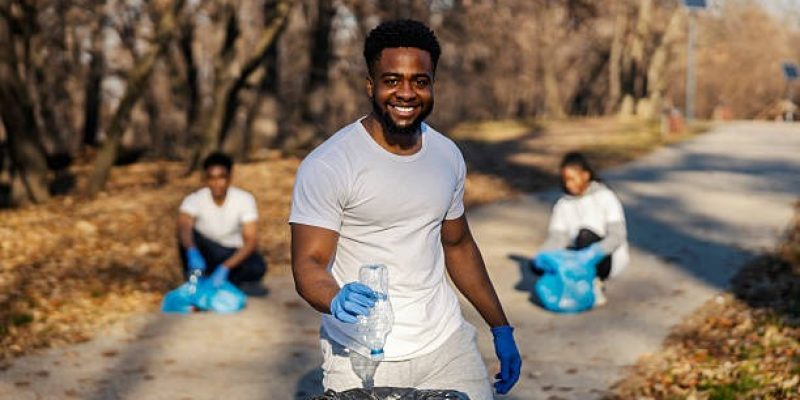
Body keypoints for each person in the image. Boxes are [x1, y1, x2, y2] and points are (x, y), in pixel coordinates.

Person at [289, 19, 521, 399]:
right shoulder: (330, 163)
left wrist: (500, 327)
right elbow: (308, 263)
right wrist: (334, 297)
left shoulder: (446, 155)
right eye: (392, 80)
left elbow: (458, 245)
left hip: (447, 346)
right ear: (371, 85)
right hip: (361, 356)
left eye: (420, 80)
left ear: (432, 85)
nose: (407, 92)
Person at [536, 152, 630, 306]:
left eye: (572, 179)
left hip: (605, 257)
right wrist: (543, 257)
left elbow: (617, 235)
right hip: (578, 255)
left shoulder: (606, 197)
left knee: (585, 235)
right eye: (565, 180)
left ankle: (594, 283)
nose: (568, 184)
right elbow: (557, 238)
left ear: (586, 175)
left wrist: (594, 253)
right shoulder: (563, 204)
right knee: (544, 263)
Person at [177, 152, 266, 291]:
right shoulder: (194, 199)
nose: (216, 183)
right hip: (206, 251)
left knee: (257, 266)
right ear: (205, 179)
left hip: (230, 252)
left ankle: (221, 278)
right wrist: (191, 250)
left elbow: (251, 241)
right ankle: (197, 276)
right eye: (211, 178)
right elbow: (184, 225)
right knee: (186, 234)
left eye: (221, 177)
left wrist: (226, 267)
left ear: (229, 178)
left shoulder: (244, 199)